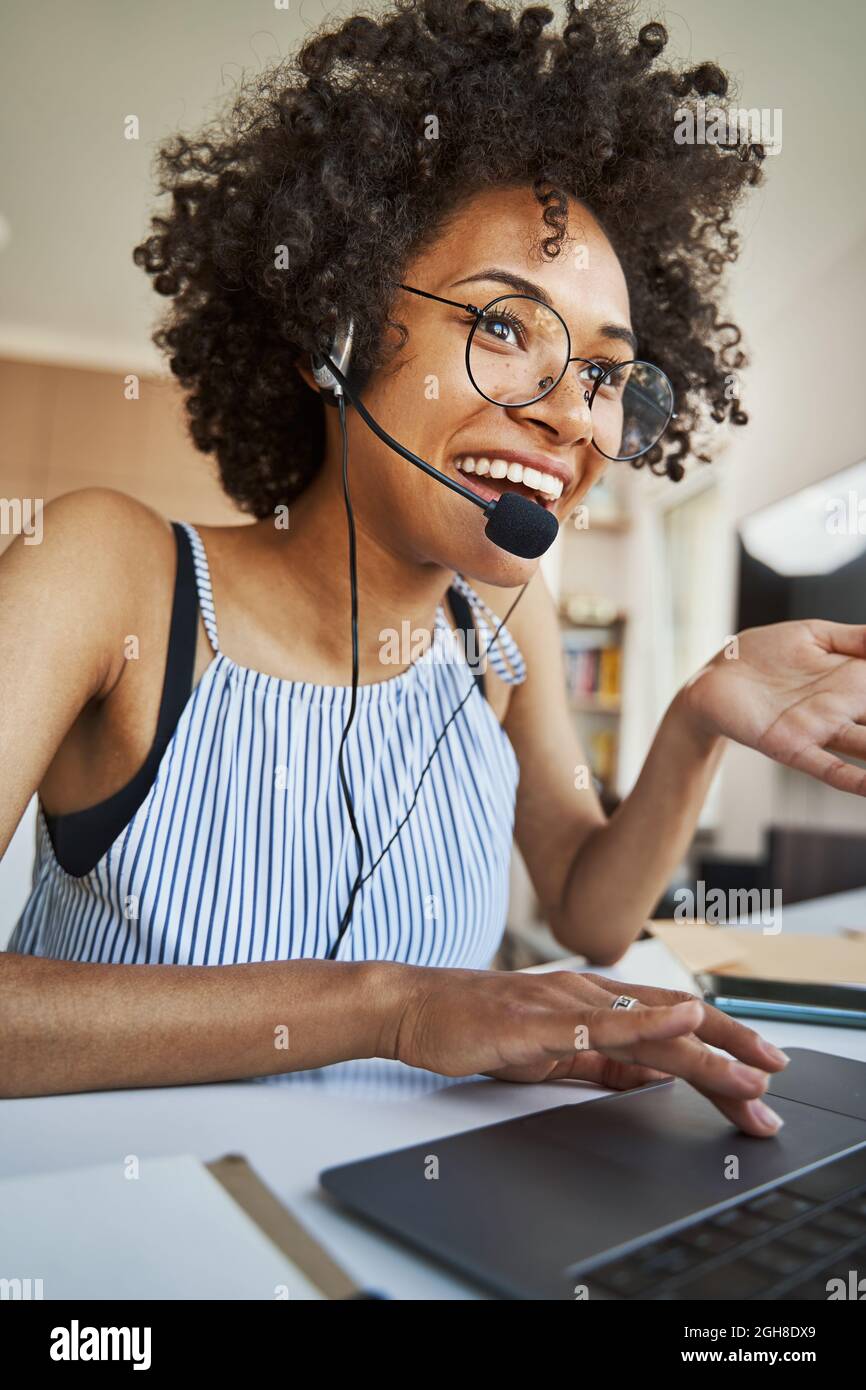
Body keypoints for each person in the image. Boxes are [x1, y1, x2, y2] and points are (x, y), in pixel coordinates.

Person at [2, 1, 863, 1125]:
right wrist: (387, 1006)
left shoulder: (505, 611)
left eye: (605, 376)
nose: (573, 419)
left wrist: (695, 717)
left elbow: (590, 912)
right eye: (505, 327)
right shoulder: (107, 569)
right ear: (337, 329)